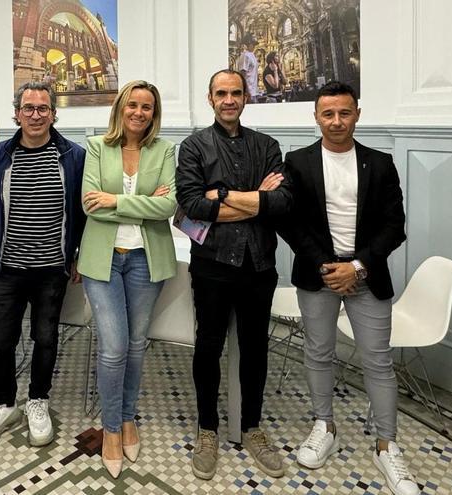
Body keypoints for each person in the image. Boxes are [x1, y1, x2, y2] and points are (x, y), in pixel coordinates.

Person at [280, 81, 417, 495]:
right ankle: (325, 426)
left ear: (357, 113)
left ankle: (386, 446)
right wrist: (327, 265)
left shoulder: (379, 163)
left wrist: (356, 267)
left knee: (378, 361)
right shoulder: (298, 162)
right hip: (318, 274)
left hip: (367, 275)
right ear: (316, 117)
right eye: (328, 114)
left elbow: (396, 227)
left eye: (344, 113)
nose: (336, 121)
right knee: (318, 353)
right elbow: (290, 223)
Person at [175, 69, 292, 479]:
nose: (229, 100)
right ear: (210, 98)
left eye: (236, 93)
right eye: (221, 93)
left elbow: (281, 204)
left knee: (256, 349)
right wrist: (256, 197)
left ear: (247, 97)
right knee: (208, 348)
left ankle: (252, 427)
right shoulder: (193, 147)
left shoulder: (267, 145)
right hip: (212, 266)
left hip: (259, 266)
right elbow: (192, 205)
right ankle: (207, 428)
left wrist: (222, 193)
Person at [0, 82, 86, 450]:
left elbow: (81, 212)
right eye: (29, 108)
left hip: (53, 269)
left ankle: (38, 401)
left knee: (46, 339)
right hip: (8, 268)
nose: (36, 115)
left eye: (43, 109)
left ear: (54, 114)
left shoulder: (73, 156)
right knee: (1, 341)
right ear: (16, 112)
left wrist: (78, 254)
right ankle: (3, 405)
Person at [77, 80, 177, 478]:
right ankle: (113, 428)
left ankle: (129, 416)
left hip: (146, 260)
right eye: (132, 105)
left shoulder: (164, 149)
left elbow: (168, 206)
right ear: (120, 108)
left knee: (137, 345)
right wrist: (145, 204)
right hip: (103, 261)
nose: (139, 112)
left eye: (147, 107)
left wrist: (115, 201)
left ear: (154, 113)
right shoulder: (97, 147)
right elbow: (90, 204)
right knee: (115, 346)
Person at [237, 38, 260, 103]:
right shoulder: (245, 55)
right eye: (253, 44)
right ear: (248, 44)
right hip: (248, 91)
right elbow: (242, 74)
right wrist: (246, 91)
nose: (254, 46)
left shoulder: (252, 55)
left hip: (254, 91)